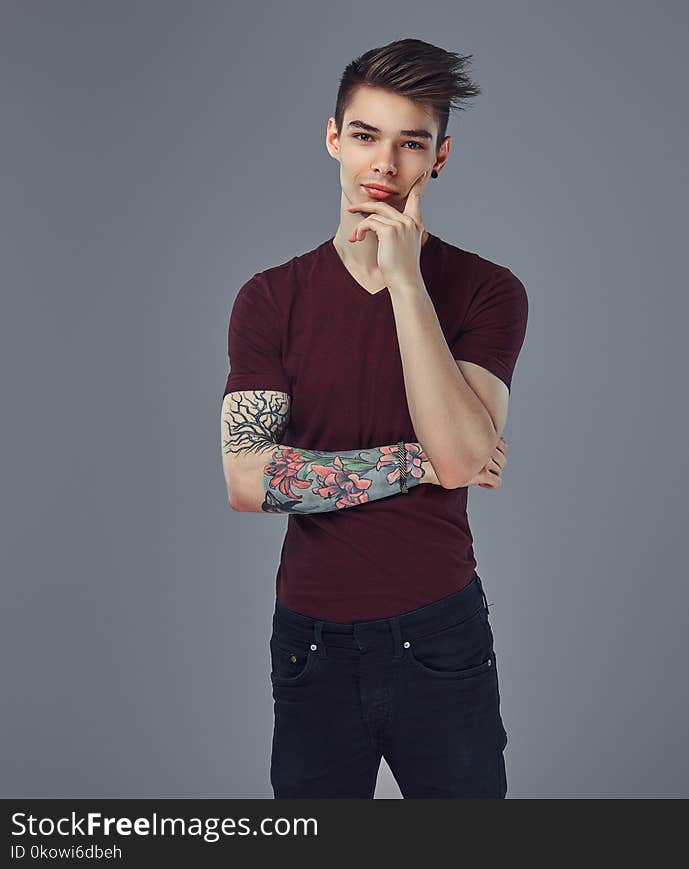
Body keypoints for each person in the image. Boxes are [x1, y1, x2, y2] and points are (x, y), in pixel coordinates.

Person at [220, 38, 528, 798]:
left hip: (441, 635)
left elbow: (461, 459)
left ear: (439, 160)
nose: (384, 165)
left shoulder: (488, 291)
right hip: (311, 645)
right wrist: (417, 459)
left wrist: (406, 285)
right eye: (365, 136)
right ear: (334, 139)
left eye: (409, 143)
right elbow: (249, 479)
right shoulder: (269, 299)